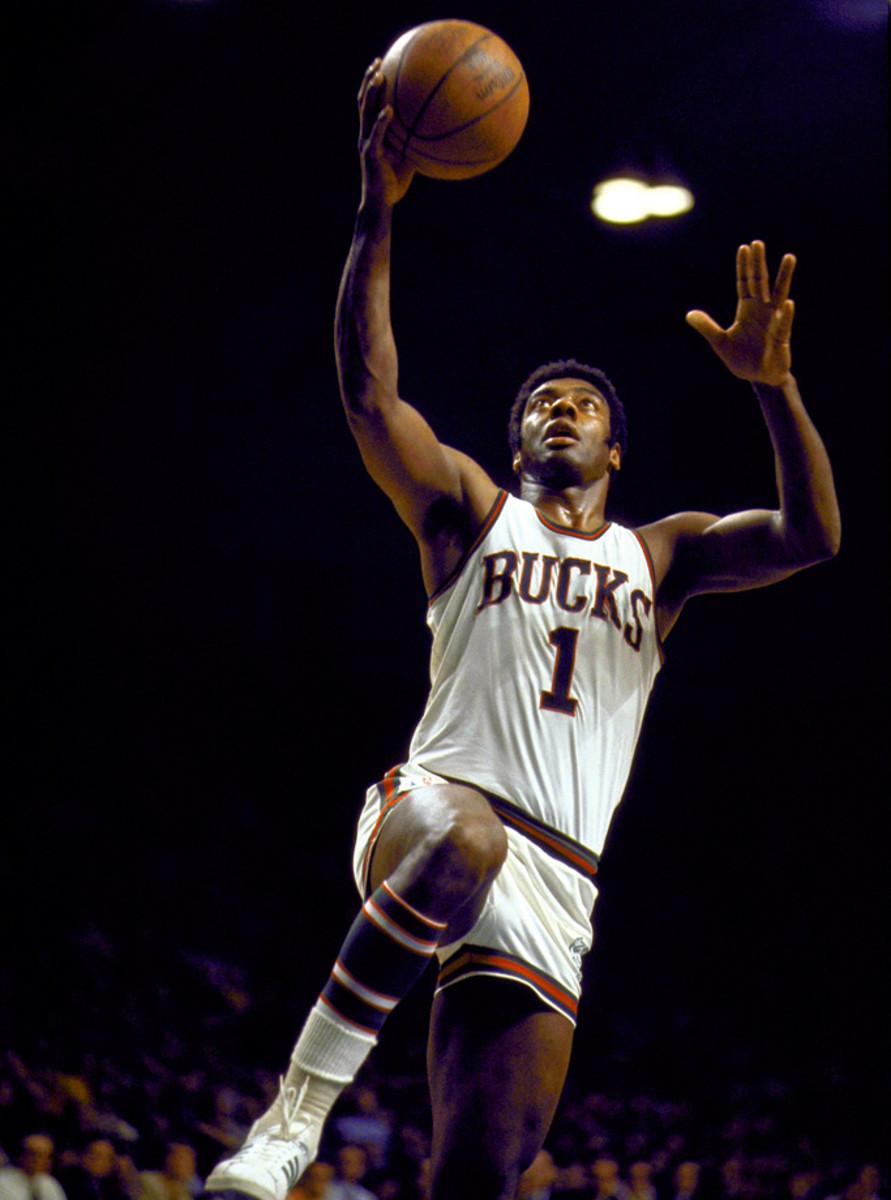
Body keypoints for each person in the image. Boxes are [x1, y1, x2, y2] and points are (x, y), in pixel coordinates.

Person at [206, 58, 841, 1200]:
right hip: (433, 809)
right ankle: (289, 1124)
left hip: (564, 883)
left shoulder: (664, 554)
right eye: (542, 404)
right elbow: (366, 389)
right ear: (515, 448)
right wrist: (375, 213)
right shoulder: (468, 514)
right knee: (467, 843)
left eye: (584, 405)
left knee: (481, 1176)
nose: (562, 409)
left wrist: (773, 388)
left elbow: (811, 538)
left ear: (615, 451)